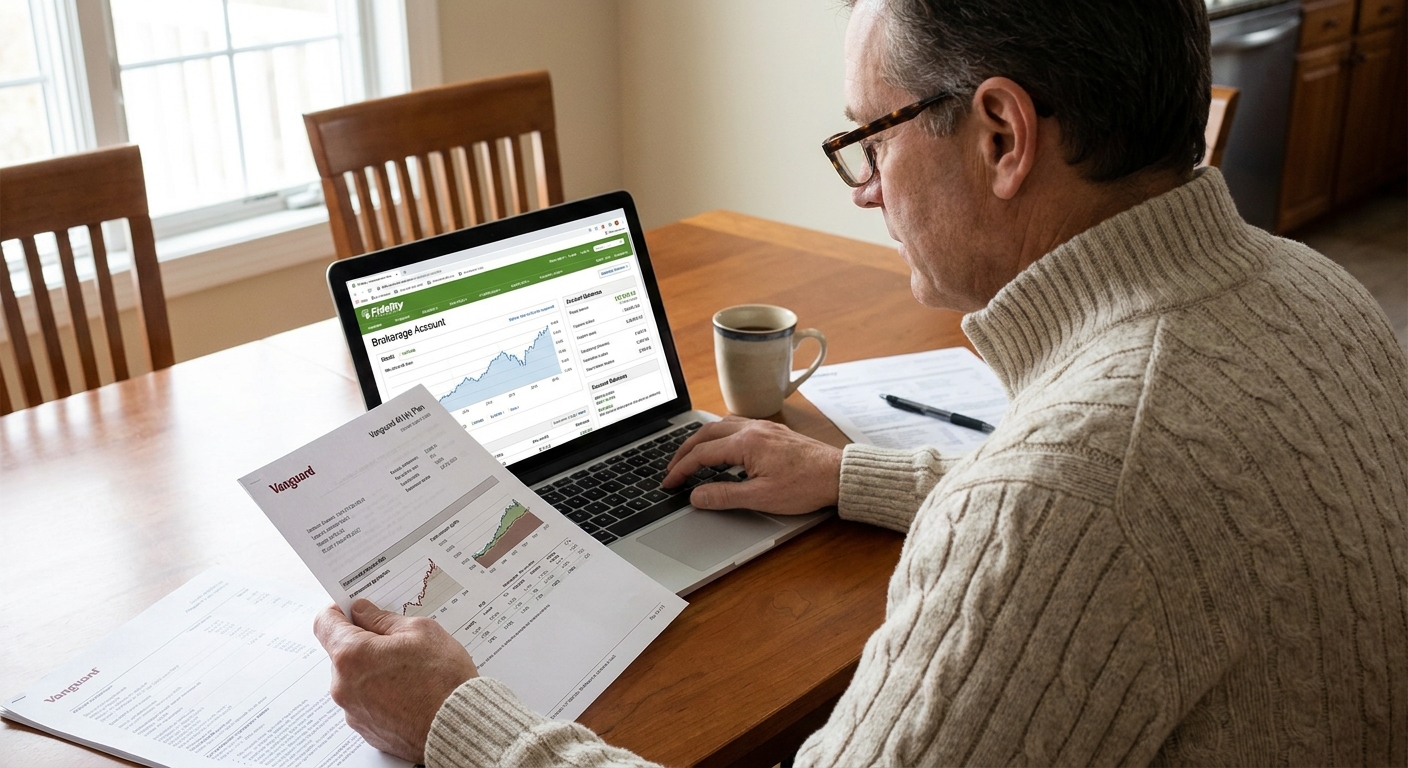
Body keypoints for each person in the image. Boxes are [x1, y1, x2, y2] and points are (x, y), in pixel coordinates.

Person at [313, 0, 1408, 764]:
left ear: (999, 135)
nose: (862, 191)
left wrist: (459, 719)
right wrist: (851, 477)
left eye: (869, 138)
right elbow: (1152, 516)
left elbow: (1085, 506)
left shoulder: (1069, 491)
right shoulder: (1313, 290)